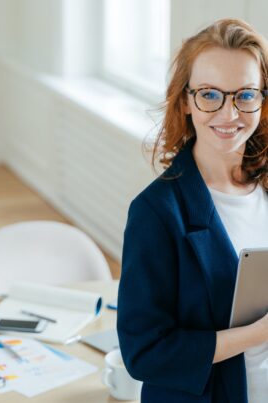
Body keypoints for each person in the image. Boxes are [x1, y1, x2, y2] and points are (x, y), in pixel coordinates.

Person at [117, 18, 268, 403]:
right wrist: (258, 333)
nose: (230, 113)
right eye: (210, 94)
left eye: (245, 95)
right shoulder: (155, 212)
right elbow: (144, 353)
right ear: (185, 100)